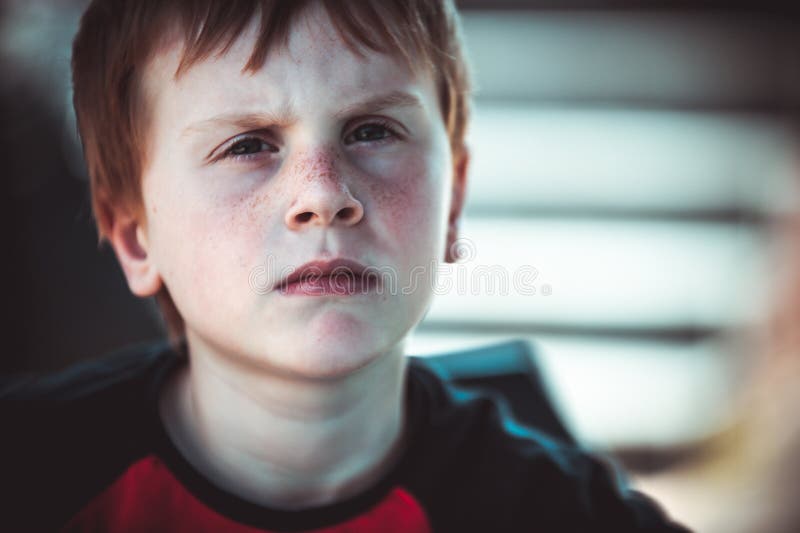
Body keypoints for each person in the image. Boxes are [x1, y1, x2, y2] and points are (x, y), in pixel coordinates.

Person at [0, 1, 689, 531]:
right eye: (248, 145)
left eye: (371, 131)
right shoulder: (32, 473)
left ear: (454, 201)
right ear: (137, 236)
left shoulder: (555, 512)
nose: (324, 195)